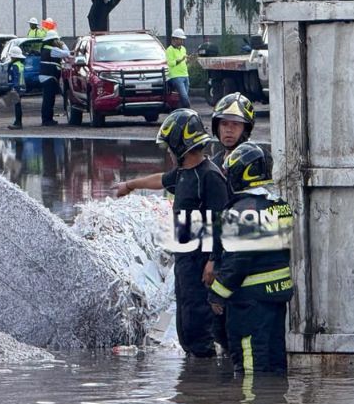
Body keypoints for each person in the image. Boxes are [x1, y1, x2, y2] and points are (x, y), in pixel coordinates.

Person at [115, 109, 229, 357]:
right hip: (186, 262)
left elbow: (221, 222)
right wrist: (130, 186)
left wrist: (213, 262)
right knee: (185, 327)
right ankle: (193, 385)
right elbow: (161, 180)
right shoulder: (184, 174)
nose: (167, 151)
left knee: (200, 331)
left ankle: (208, 385)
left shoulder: (210, 176)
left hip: (202, 266)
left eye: (169, 146)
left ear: (181, 145)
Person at [209, 142, 293, 375]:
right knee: (275, 362)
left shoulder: (242, 211)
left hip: (249, 304)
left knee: (250, 365)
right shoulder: (279, 206)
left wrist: (217, 293)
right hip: (277, 297)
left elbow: (238, 261)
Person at [210, 92, 255, 168]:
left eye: (235, 124)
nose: (229, 130)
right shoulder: (214, 164)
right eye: (224, 124)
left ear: (246, 129)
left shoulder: (255, 162)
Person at [39, 30, 69, 126]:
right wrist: (63, 44)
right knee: (49, 100)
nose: (58, 41)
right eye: (57, 40)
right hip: (49, 77)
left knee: (48, 99)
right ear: (53, 40)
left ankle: (47, 119)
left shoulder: (47, 48)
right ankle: (47, 120)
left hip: (47, 77)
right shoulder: (52, 50)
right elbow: (67, 53)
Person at [166, 28, 191, 109]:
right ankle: (188, 110)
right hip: (176, 76)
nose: (182, 41)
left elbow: (185, 61)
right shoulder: (169, 50)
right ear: (175, 39)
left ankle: (179, 111)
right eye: (180, 39)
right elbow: (170, 63)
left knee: (183, 97)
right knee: (184, 96)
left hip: (185, 74)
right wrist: (180, 60)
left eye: (182, 39)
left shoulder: (183, 49)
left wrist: (189, 60)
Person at [5, 45, 26, 130]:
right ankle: (17, 121)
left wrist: (14, 88)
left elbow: (15, 77)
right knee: (17, 105)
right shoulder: (20, 64)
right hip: (21, 87)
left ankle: (18, 123)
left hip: (16, 87)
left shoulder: (14, 66)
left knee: (17, 106)